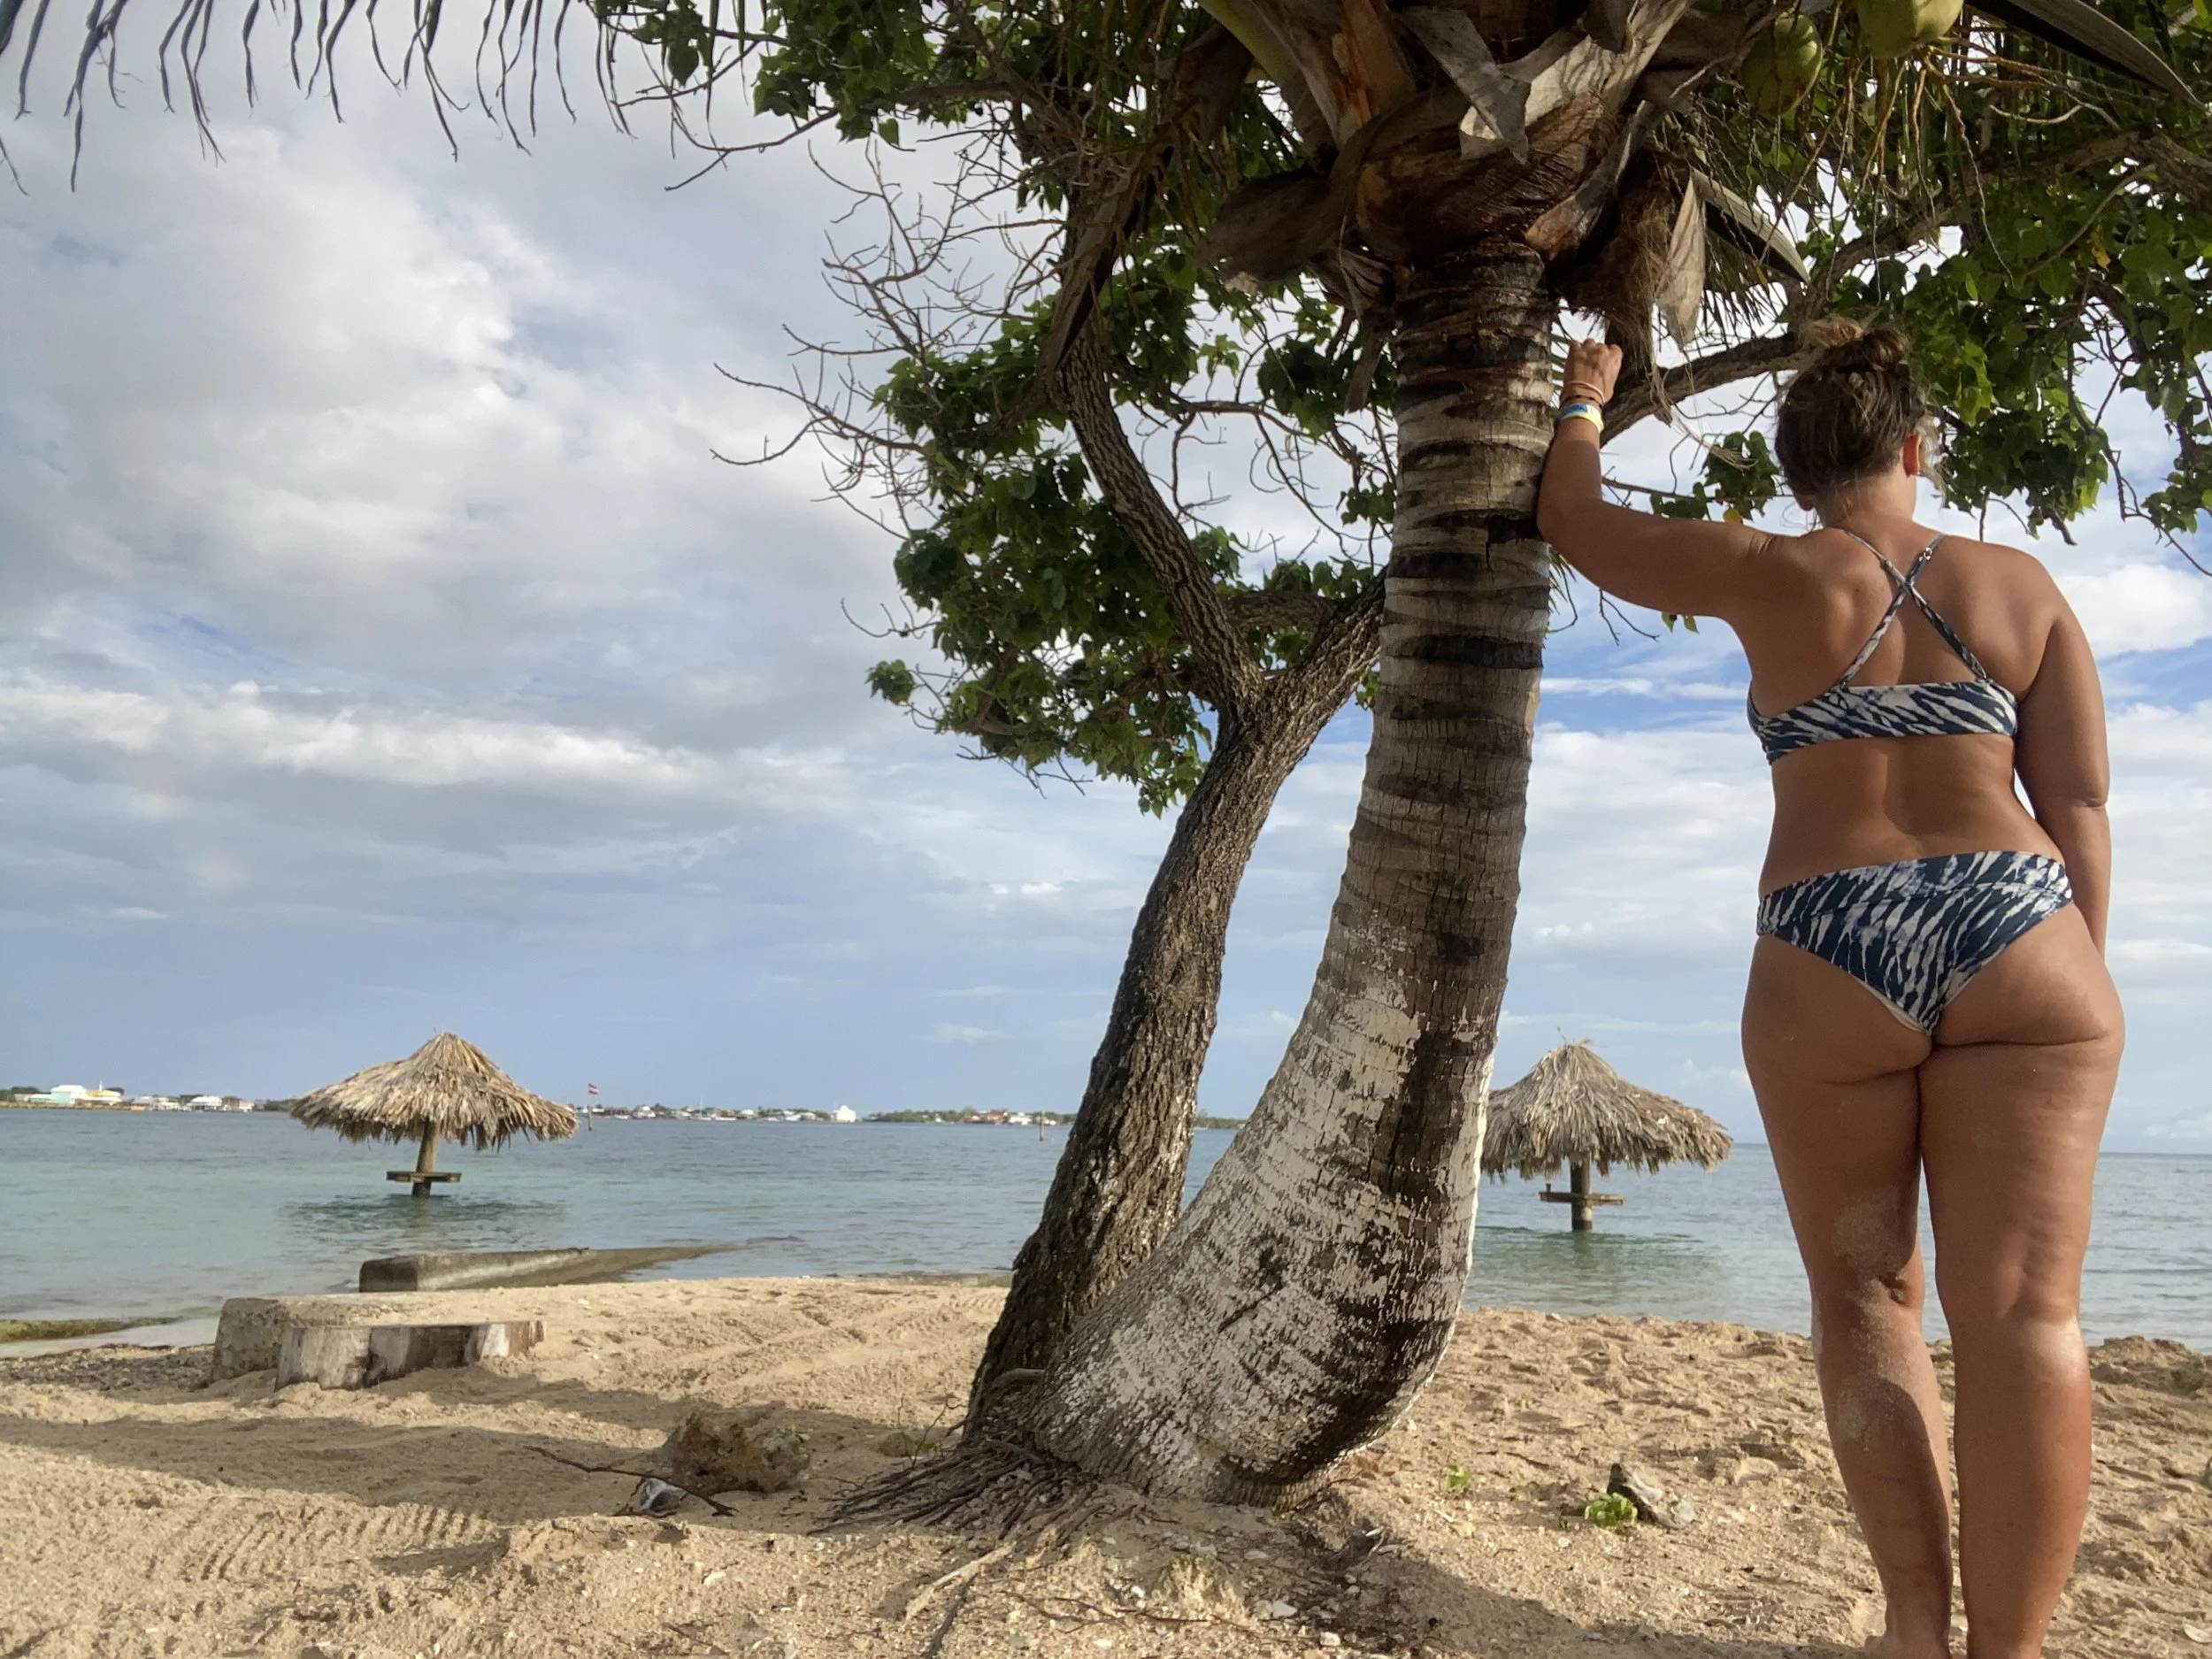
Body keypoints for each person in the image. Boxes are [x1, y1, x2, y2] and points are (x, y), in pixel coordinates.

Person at [1536, 321, 2124, 1659]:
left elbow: (1575, 519)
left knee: (1868, 1302)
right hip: (2016, 925)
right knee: (2030, 1311)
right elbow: (2079, 803)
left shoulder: (1768, 570)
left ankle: (1916, 1629)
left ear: (1799, 471)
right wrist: (2070, 969)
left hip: (1825, 936)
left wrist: (1584, 400)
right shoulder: (2020, 587)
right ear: (1916, 448)